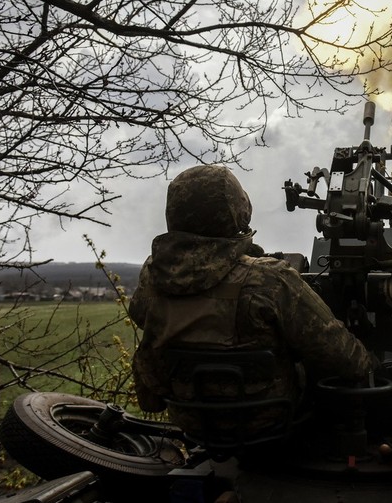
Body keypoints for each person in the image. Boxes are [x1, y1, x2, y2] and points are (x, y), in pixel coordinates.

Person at [129, 165, 374, 438]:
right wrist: (370, 360)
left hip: (193, 421)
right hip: (268, 423)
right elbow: (345, 359)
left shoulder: (152, 276)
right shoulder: (269, 279)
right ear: (238, 211)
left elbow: (142, 316)